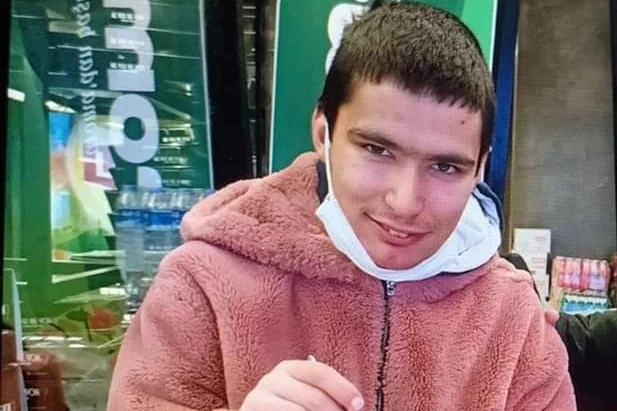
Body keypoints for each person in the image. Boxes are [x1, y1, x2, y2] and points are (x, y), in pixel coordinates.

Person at [107, 2, 576, 410]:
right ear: (323, 134)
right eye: (377, 150)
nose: (405, 202)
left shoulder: (515, 322)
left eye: (445, 167)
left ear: (479, 169)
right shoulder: (202, 286)